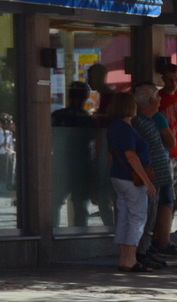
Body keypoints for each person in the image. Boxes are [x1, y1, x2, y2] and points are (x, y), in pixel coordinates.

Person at [106, 91, 157, 275]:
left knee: (124, 216)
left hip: (118, 176)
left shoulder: (113, 127)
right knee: (137, 217)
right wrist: (146, 181)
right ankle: (131, 259)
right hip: (131, 179)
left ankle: (123, 257)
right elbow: (131, 155)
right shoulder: (127, 129)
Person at [132, 83, 175, 266]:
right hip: (148, 176)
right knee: (146, 214)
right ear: (150, 100)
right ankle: (141, 252)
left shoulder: (151, 120)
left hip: (157, 175)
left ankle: (147, 248)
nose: (160, 100)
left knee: (152, 214)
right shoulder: (139, 122)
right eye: (157, 97)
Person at [51, 81, 97, 230]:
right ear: (86, 97)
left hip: (60, 162)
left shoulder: (57, 116)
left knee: (55, 202)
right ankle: (80, 233)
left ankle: (53, 232)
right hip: (82, 165)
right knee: (80, 204)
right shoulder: (89, 120)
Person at [157, 59, 177, 226]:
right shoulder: (158, 98)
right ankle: (162, 230)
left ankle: (172, 226)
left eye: (176, 79)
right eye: (170, 79)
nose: (173, 83)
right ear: (163, 79)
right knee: (166, 194)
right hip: (165, 154)